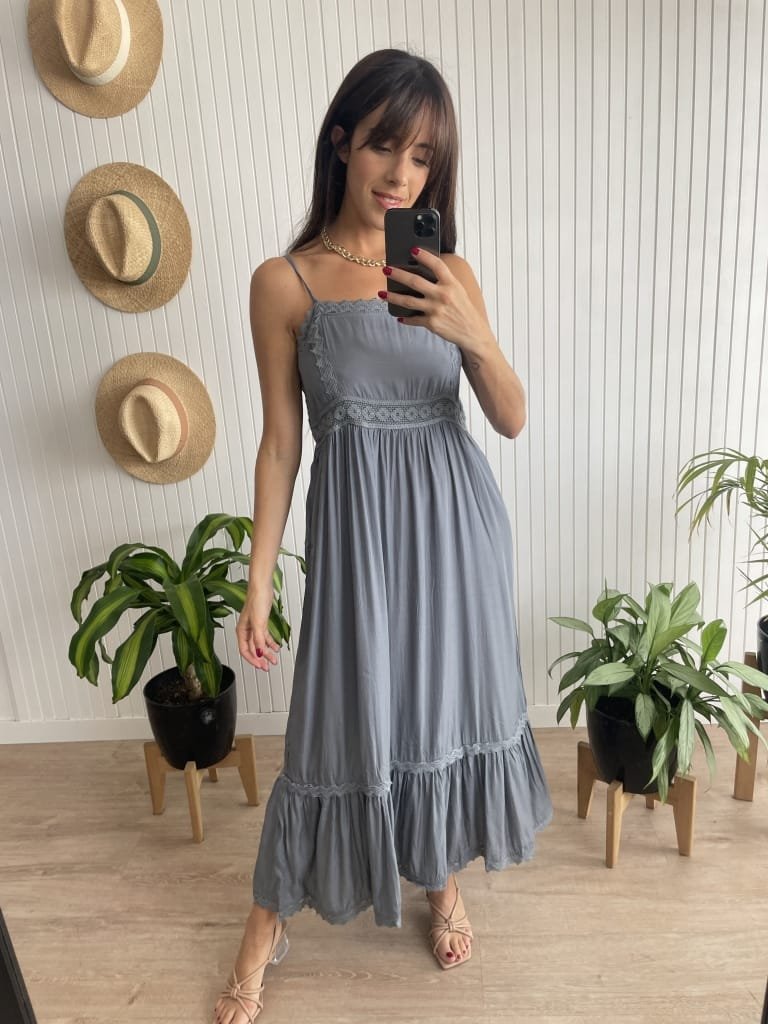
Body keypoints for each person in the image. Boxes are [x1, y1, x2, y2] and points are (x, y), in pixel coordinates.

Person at [213, 48, 553, 1024]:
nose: (402, 174)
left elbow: (511, 416)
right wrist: (259, 581)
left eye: (424, 157)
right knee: (336, 723)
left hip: (457, 535)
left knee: (436, 714)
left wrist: (468, 327)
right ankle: (265, 926)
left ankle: (440, 882)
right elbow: (281, 445)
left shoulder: (448, 271)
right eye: (384, 146)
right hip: (358, 543)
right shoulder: (283, 283)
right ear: (342, 141)